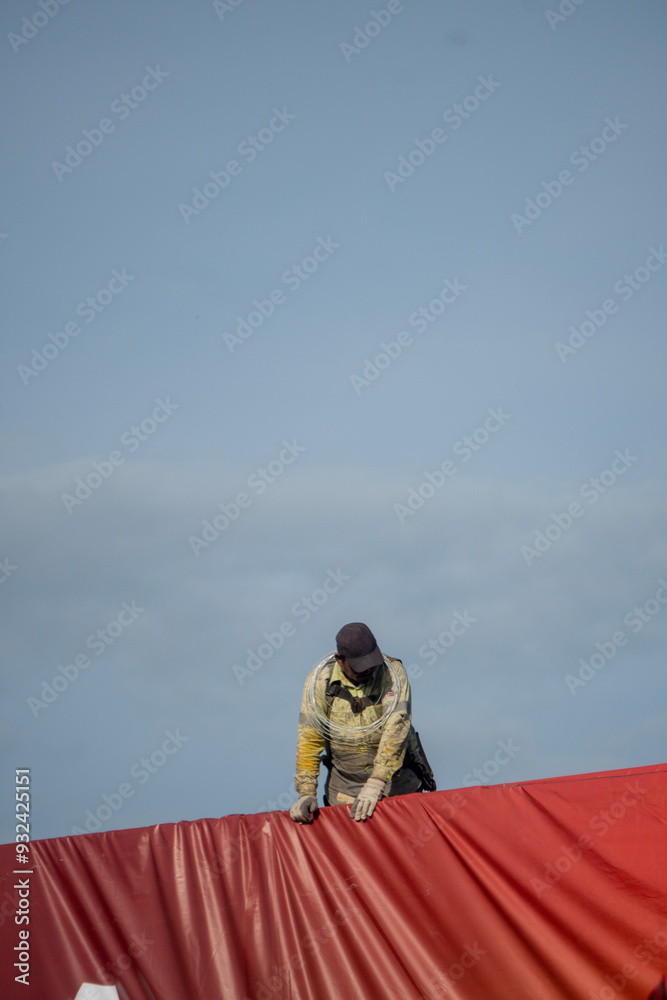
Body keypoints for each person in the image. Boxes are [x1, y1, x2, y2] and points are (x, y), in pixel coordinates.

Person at [290, 622, 435, 824]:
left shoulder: (393, 673)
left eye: (372, 662)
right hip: (344, 791)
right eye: (360, 666)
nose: (369, 669)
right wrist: (306, 792)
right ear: (340, 660)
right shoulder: (320, 681)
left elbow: (396, 727)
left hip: (397, 785)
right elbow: (309, 738)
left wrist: (377, 782)